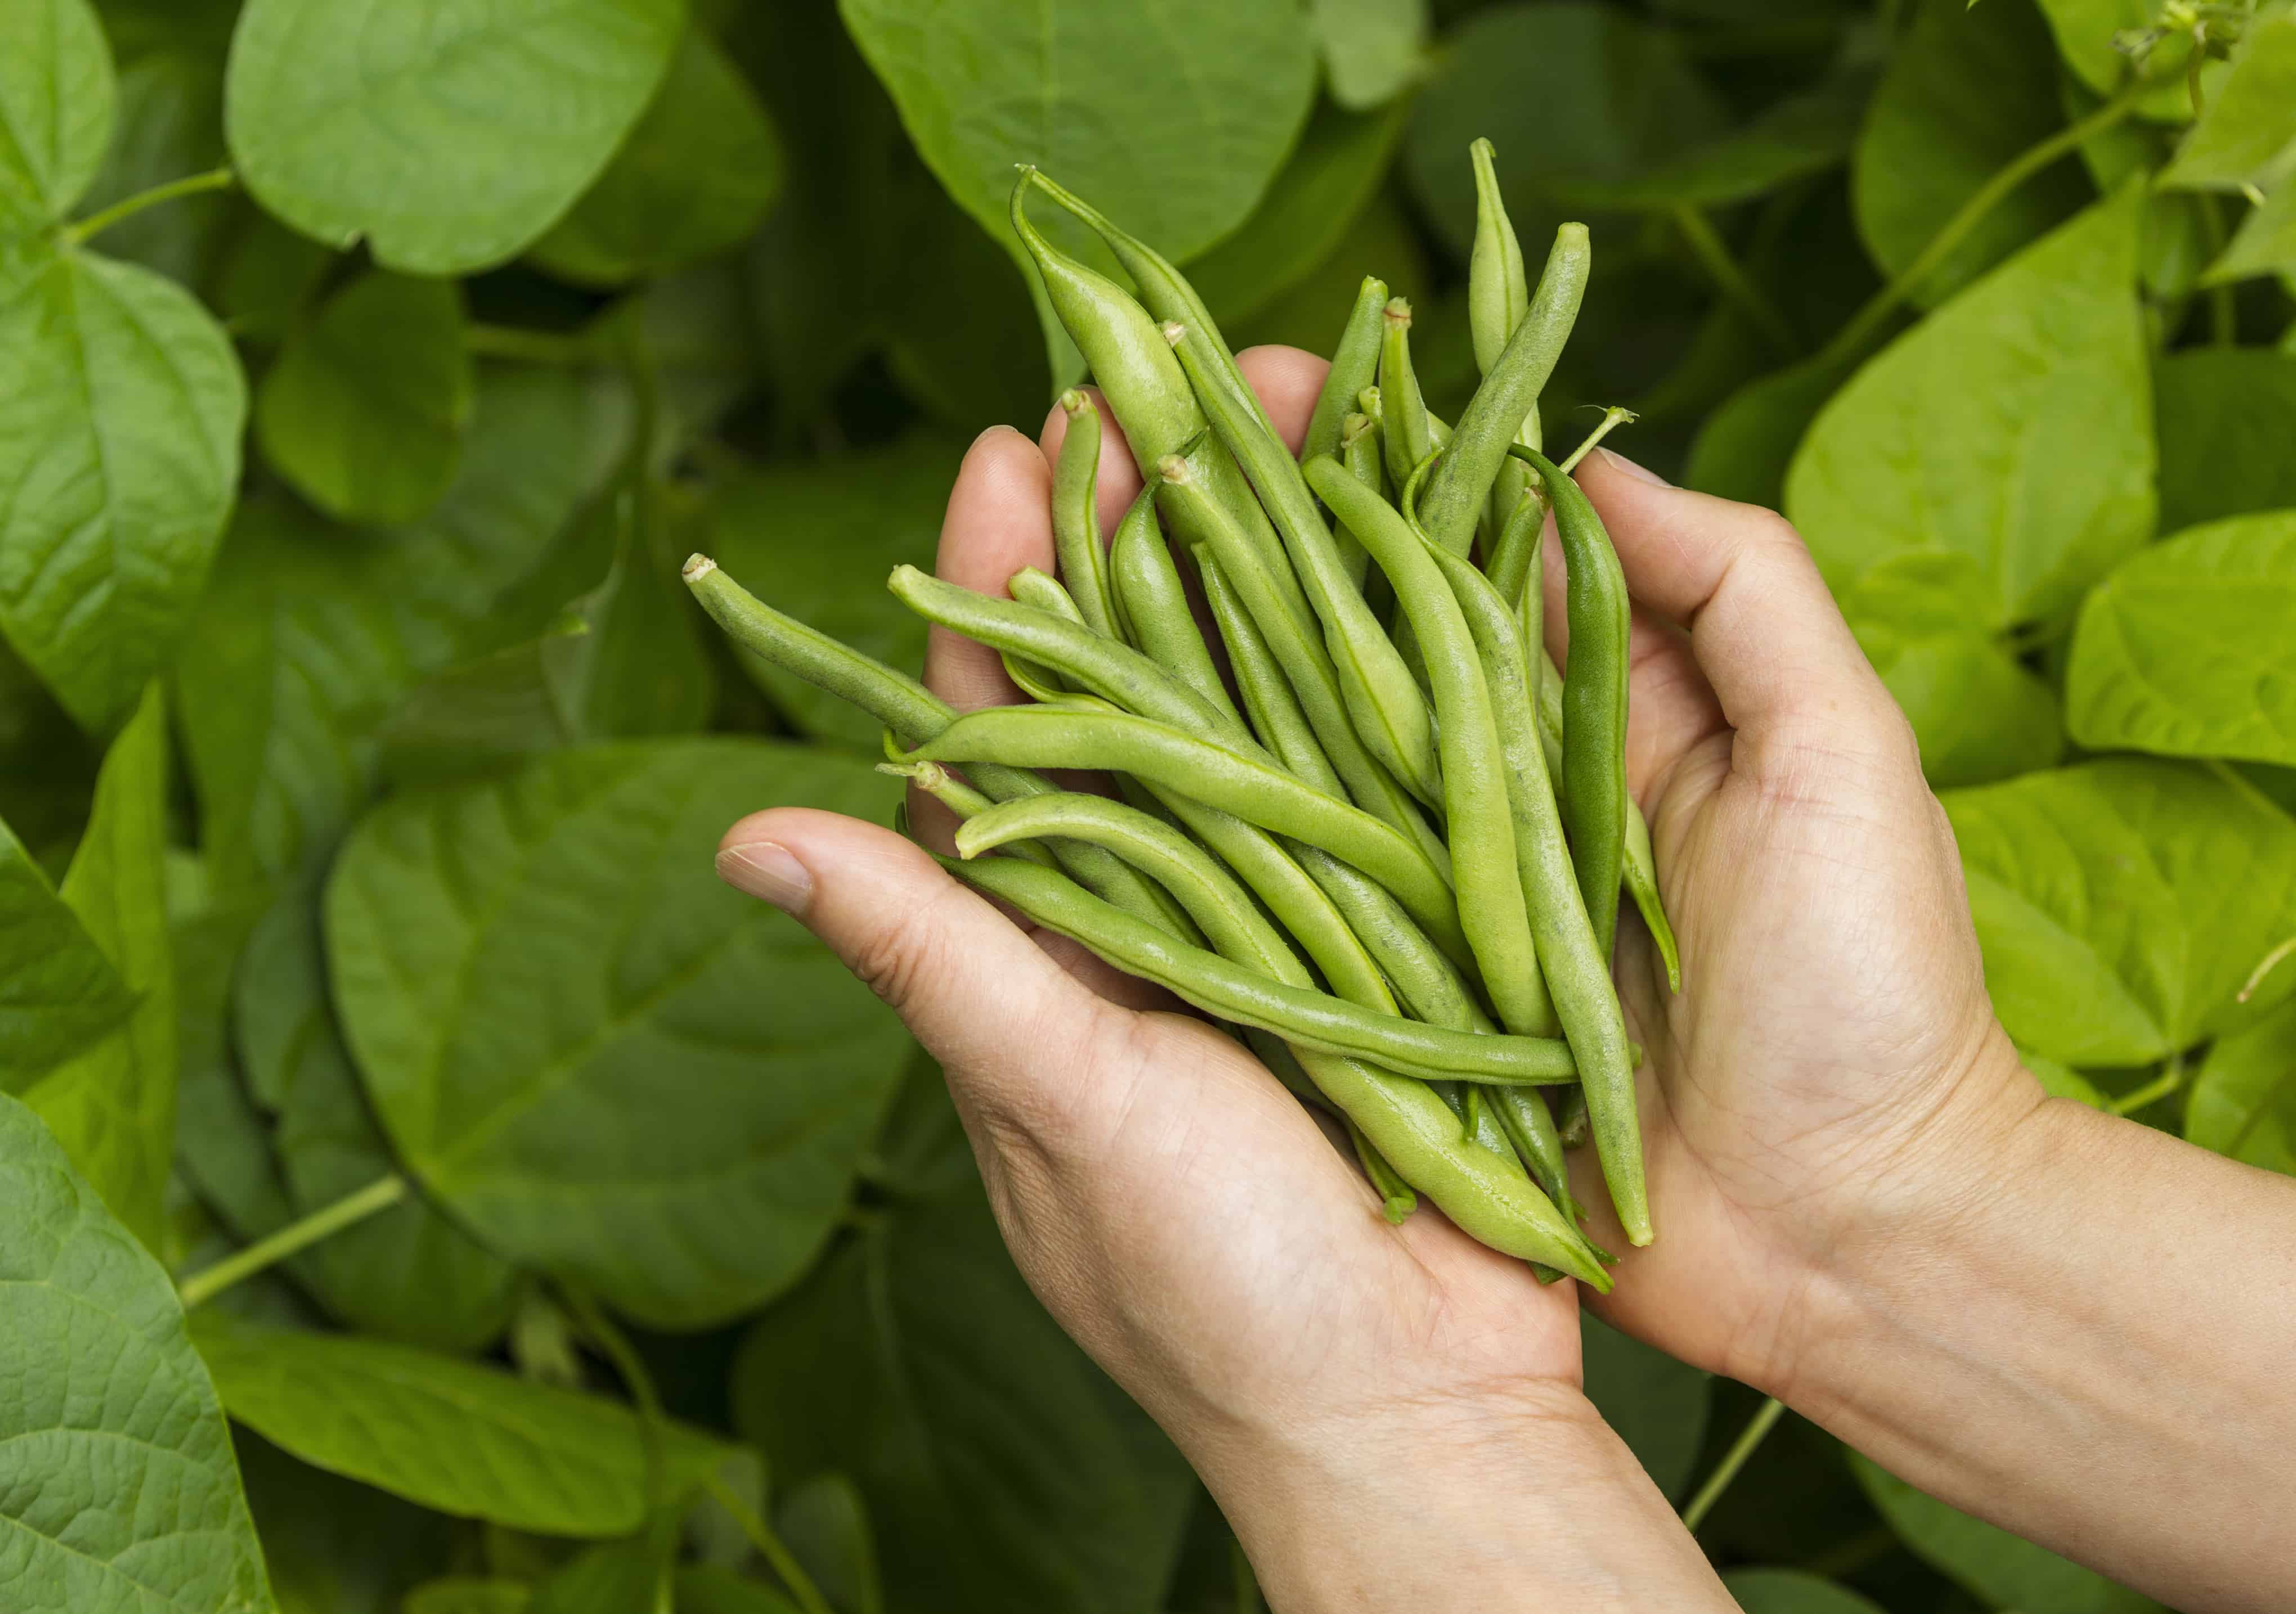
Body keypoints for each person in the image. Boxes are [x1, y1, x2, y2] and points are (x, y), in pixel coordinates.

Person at [710, 348, 2296, 1612]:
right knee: (1270, 756)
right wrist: (1895, 1192)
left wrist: (1400, 1440)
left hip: (1539, 1091)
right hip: (1555, 1093)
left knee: (1305, 735)